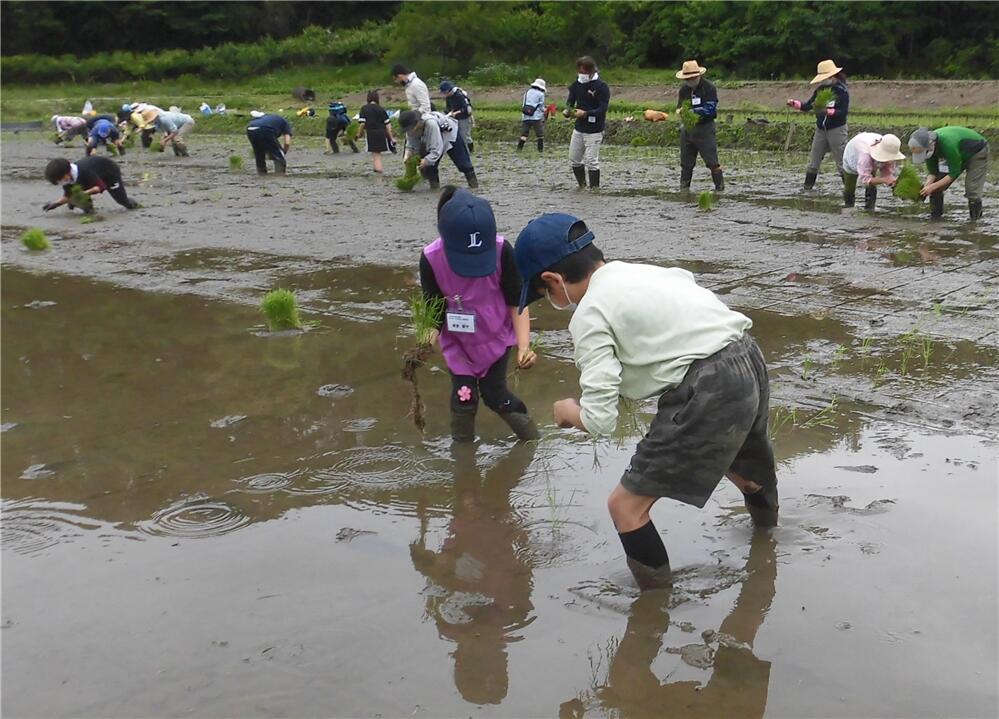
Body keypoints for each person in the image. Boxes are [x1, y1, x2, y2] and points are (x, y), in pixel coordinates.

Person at [513, 213, 778, 588]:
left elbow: (602, 420)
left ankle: (653, 608)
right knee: (751, 474)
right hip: (746, 356)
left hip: (707, 386)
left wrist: (569, 411)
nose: (555, 302)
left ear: (553, 281)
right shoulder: (643, 272)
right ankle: (768, 551)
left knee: (625, 507)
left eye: (545, 296)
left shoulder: (589, 314)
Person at [419, 187, 540, 442]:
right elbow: (433, 308)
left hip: (495, 337)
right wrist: (424, 344)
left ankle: (532, 440)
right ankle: (463, 461)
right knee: (464, 396)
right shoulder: (431, 259)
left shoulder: (502, 251)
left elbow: (516, 301)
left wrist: (524, 347)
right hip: (458, 343)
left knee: (495, 395)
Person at [786, 59, 850, 190]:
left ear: (833, 76)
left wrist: (827, 112)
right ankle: (807, 189)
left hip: (837, 130)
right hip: (821, 130)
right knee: (813, 163)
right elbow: (808, 105)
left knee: (841, 163)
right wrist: (795, 104)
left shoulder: (841, 91)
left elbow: (843, 112)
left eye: (826, 77)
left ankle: (849, 191)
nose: (824, 81)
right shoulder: (820, 90)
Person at [908, 126, 989, 220]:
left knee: (972, 191)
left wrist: (932, 187)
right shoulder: (928, 150)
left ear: (930, 146)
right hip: (958, 153)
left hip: (977, 151)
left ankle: (975, 222)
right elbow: (932, 172)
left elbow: (953, 173)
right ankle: (935, 218)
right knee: (935, 187)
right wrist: (928, 185)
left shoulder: (947, 144)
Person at [675, 60, 724, 191]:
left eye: (692, 78)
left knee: (712, 162)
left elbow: (711, 108)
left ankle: (719, 189)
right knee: (686, 164)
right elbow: (680, 106)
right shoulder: (684, 90)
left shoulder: (709, 88)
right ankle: (684, 190)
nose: (690, 80)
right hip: (688, 129)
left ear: (698, 76)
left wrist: (695, 111)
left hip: (705, 129)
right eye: (687, 78)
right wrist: (681, 112)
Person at [399, 110, 478, 189]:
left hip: (449, 134)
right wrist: (407, 156)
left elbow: (436, 150)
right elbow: (411, 145)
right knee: (430, 167)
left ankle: (474, 185)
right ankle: (434, 188)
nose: (410, 131)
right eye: (407, 129)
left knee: (463, 163)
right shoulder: (410, 130)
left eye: (411, 128)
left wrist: (426, 160)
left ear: (417, 123)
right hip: (431, 138)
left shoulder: (431, 124)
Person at [565, 56, 610, 189]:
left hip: (595, 129)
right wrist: (568, 110)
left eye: (584, 72)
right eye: (579, 72)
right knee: (574, 159)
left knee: (591, 161)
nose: (581, 75)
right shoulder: (576, 85)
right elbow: (570, 101)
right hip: (579, 128)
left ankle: (594, 188)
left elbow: (602, 109)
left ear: (591, 72)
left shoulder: (601, 87)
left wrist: (586, 113)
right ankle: (582, 186)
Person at [42, 156, 139, 211]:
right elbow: (67, 195)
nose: (60, 182)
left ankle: (135, 205)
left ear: (67, 173)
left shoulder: (84, 171)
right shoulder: (67, 179)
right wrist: (55, 204)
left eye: (60, 179)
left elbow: (100, 187)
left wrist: (81, 194)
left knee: (123, 202)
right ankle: (89, 210)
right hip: (90, 178)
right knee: (82, 202)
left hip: (109, 172)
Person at [841, 132, 905, 209]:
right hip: (852, 156)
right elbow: (865, 180)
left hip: (870, 152)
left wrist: (893, 183)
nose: (891, 161)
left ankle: (870, 208)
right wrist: (884, 180)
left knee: (872, 185)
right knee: (850, 186)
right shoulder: (865, 157)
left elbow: (887, 174)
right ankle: (848, 207)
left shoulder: (890, 146)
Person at [391, 63, 431, 160]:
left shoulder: (416, 84)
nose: (397, 82)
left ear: (400, 76)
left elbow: (426, 106)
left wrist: (415, 119)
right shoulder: (410, 85)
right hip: (415, 120)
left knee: (417, 150)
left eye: (396, 79)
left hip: (420, 121)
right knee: (410, 149)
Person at [357, 89, 395, 173]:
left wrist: (359, 134)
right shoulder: (381, 109)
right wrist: (391, 138)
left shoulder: (364, 108)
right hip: (382, 133)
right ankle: (376, 170)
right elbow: (388, 124)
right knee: (377, 154)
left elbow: (362, 124)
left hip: (371, 133)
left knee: (376, 155)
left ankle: (379, 173)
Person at [440, 81, 474, 154]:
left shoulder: (459, 95)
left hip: (464, 117)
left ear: (448, 90)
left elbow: (465, 108)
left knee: (465, 135)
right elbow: (448, 108)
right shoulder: (449, 97)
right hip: (454, 118)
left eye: (445, 92)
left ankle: (470, 151)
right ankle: (460, 151)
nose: (444, 94)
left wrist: (456, 112)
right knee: (455, 135)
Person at [518, 78, 547, 153]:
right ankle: (540, 152)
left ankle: (518, 151)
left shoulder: (527, 92)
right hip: (536, 117)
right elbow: (541, 106)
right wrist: (545, 110)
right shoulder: (541, 94)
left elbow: (524, 104)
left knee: (524, 135)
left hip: (526, 117)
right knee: (540, 135)